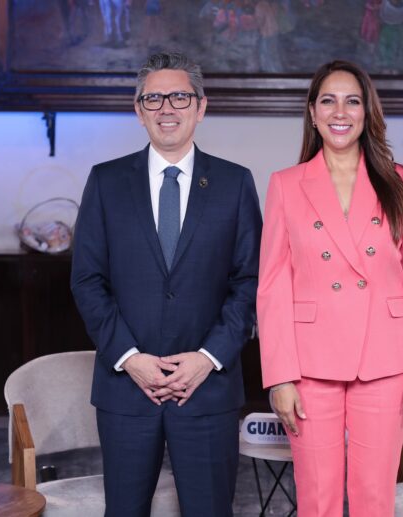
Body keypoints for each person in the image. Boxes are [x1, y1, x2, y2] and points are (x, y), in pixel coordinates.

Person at [71, 51, 262, 517]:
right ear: (138, 111)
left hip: (208, 388)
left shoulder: (235, 184)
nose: (166, 108)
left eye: (179, 97)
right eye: (153, 99)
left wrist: (208, 358)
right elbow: (87, 280)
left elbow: (250, 282)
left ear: (201, 107)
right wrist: (130, 359)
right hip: (127, 388)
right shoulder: (106, 182)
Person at [257, 60, 403, 517]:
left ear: (366, 112)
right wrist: (279, 376)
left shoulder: (401, 181)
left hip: (386, 360)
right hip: (309, 365)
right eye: (328, 101)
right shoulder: (285, 185)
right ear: (312, 112)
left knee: (375, 498)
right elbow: (272, 287)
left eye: (352, 101)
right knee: (317, 498)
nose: (340, 112)